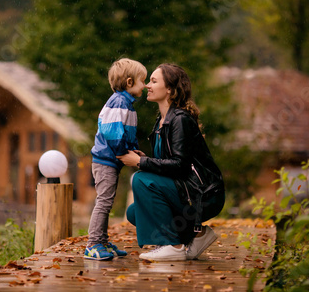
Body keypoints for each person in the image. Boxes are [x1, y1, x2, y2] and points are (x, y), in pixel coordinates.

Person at [117, 63, 225, 261]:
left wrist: (142, 162)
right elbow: (169, 163)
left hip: (203, 194)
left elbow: (180, 166)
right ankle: (196, 234)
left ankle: (172, 245)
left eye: (154, 81)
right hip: (186, 191)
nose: (147, 85)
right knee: (135, 212)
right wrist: (144, 158)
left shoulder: (180, 119)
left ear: (169, 89)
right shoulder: (162, 120)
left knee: (140, 179)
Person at [85, 58, 147, 260]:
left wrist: (133, 150)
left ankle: (102, 241)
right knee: (103, 202)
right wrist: (122, 153)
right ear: (129, 82)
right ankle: (93, 244)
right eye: (142, 81)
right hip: (105, 160)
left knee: (107, 202)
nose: (145, 85)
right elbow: (111, 131)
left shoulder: (127, 105)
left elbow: (126, 133)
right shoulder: (118, 102)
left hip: (111, 160)